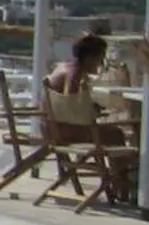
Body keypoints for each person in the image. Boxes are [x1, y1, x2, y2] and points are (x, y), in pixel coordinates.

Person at [46, 32, 135, 197]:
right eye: (100, 58)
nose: (101, 63)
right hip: (65, 130)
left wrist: (90, 106)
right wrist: (88, 110)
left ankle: (119, 183)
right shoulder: (75, 73)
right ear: (89, 58)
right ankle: (121, 185)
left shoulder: (64, 66)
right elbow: (69, 101)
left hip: (53, 128)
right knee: (116, 134)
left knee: (112, 133)